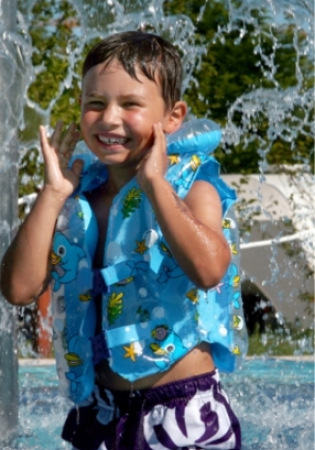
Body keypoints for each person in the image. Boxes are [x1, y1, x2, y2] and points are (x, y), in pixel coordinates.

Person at [1, 31, 247, 450]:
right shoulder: (77, 198)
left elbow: (208, 270)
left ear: (173, 117)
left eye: (130, 104)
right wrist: (54, 192)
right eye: (95, 104)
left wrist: (154, 184)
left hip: (183, 409)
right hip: (100, 412)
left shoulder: (191, 188)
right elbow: (18, 289)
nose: (109, 118)